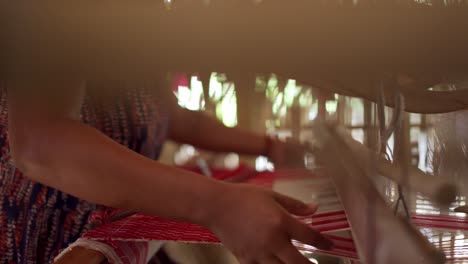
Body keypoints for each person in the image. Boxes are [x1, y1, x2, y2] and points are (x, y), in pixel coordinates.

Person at [0, 80, 332, 264]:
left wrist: (272, 147)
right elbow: (37, 142)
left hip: (119, 242)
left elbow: (172, 117)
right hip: (47, 248)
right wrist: (219, 205)